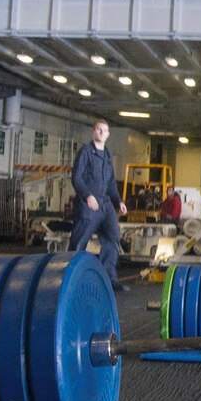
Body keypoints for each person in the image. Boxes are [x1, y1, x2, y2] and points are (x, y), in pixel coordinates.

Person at [70, 119, 129, 292]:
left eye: (105, 131)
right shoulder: (86, 152)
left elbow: (110, 182)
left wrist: (118, 201)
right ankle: (72, 279)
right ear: (93, 132)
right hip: (88, 204)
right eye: (99, 130)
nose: (102, 133)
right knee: (79, 242)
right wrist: (87, 195)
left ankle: (109, 279)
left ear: (108, 134)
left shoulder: (108, 156)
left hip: (105, 204)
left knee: (113, 237)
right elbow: (76, 178)